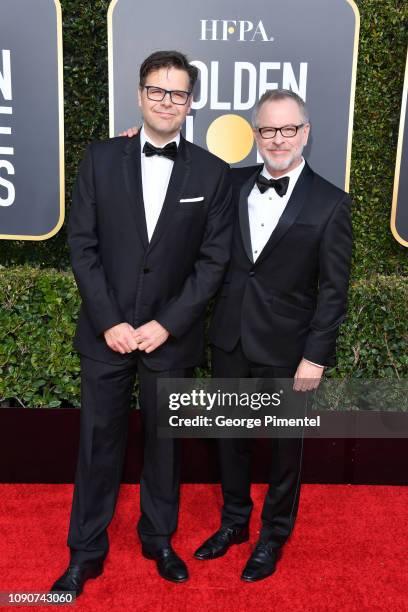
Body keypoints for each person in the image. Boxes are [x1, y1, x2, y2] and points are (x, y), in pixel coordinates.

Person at [51, 50, 232, 596]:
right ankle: (84, 552)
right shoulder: (101, 159)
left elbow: (213, 261)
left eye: (178, 93)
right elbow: (81, 246)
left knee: (164, 446)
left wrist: (167, 325)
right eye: (157, 90)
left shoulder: (213, 172)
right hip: (106, 336)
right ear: (139, 94)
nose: (167, 101)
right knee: (98, 444)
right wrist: (109, 320)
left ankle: (159, 538)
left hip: (169, 341)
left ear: (192, 101)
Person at [192, 89, 353, 581]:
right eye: (267, 129)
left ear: (305, 132)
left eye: (288, 129)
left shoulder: (331, 203)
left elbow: (333, 290)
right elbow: (182, 180)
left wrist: (316, 358)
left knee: (285, 448)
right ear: (255, 134)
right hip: (230, 340)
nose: (277, 139)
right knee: (229, 440)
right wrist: (132, 142)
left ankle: (273, 534)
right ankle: (235, 523)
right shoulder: (231, 183)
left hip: (289, 352)